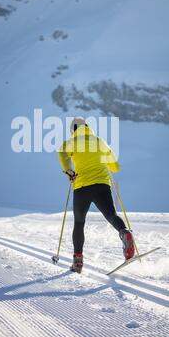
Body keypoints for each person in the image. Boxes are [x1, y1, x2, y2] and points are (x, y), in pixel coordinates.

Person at [58, 116, 135, 273]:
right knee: (111, 215)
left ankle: (78, 261)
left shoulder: (70, 143)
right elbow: (115, 166)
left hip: (82, 186)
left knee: (79, 223)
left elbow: (62, 154)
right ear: (87, 127)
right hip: (102, 185)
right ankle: (125, 233)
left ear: (73, 130)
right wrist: (105, 162)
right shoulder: (99, 141)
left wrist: (68, 170)